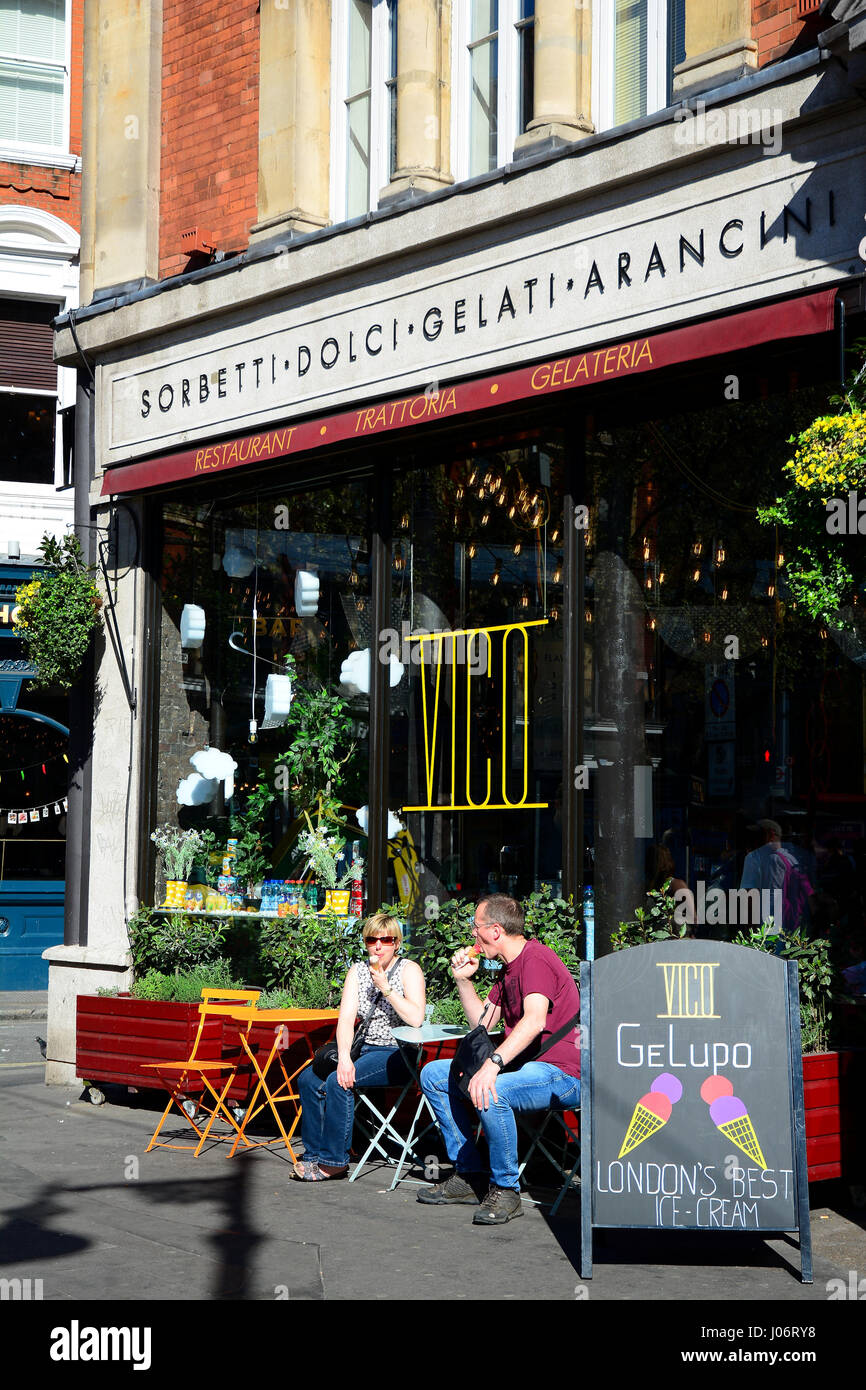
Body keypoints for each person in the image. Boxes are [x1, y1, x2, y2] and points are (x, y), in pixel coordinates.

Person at [417, 894, 580, 1225]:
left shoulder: (535, 960)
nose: (472, 935)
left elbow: (535, 1021)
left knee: (495, 1090)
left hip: (564, 1075)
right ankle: (469, 1173)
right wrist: (463, 981)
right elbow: (482, 1023)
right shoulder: (508, 969)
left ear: (494, 930)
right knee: (434, 1074)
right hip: (529, 1068)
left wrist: (492, 1065)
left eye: (475, 927)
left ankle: (506, 1188)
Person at [294, 911, 426, 1180]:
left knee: (338, 1082)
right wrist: (344, 1057)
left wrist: (386, 988)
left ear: (397, 943)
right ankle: (313, 1154)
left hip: (398, 1053)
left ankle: (334, 1162)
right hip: (363, 1049)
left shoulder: (409, 970)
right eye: (371, 939)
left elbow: (416, 1019)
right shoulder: (357, 971)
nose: (378, 946)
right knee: (308, 1079)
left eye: (386, 940)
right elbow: (345, 1020)